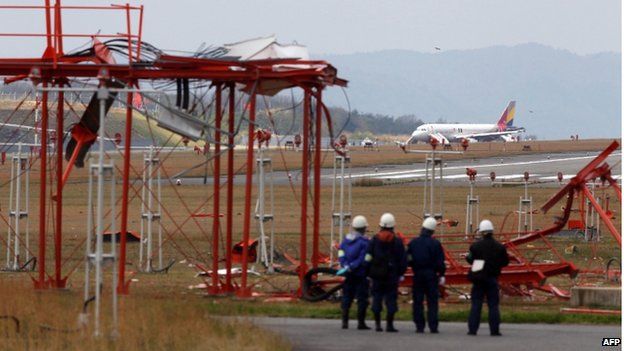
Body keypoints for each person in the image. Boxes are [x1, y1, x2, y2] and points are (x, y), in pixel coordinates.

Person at [466, 219, 509, 336]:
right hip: (492, 278)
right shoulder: (500, 247)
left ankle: (472, 329)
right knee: (493, 305)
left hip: (479, 278)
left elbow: (470, 259)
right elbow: (505, 261)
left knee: (476, 304)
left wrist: (479, 263)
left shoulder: (475, 246)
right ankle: (494, 330)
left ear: (481, 231)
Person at [365, 213, 407, 332]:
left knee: (377, 298)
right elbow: (402, 259)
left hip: (377, 275)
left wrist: (368, 271)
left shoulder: (374, 240)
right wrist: (401, 273)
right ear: (393, 226)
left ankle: (378, 324)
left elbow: (368, 257)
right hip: (392, 275)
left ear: (380, 225)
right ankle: (389, 325)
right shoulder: (397, 241)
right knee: (391, 299)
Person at [407, 217, 446, 334]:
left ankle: (419, 325)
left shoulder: (413, 243)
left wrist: (412, 264)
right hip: (431, 275)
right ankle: (433, 326)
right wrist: (442, 274)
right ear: (433, 231)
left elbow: (408, 258)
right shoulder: (435, 244)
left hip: (418, 274)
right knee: (432, 301)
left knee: (418, 300)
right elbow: (440, 261)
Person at [336, 215, 371, 330]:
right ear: (364, 228)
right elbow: (364, 258)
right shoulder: (365, 242)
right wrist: (354, 266)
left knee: (347, 296)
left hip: (348, 273)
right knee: (362, 298)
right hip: (360, 274)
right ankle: (361, 323)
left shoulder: (346, 240)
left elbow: (341, 253)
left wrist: (345, 265)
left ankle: (344, 322)